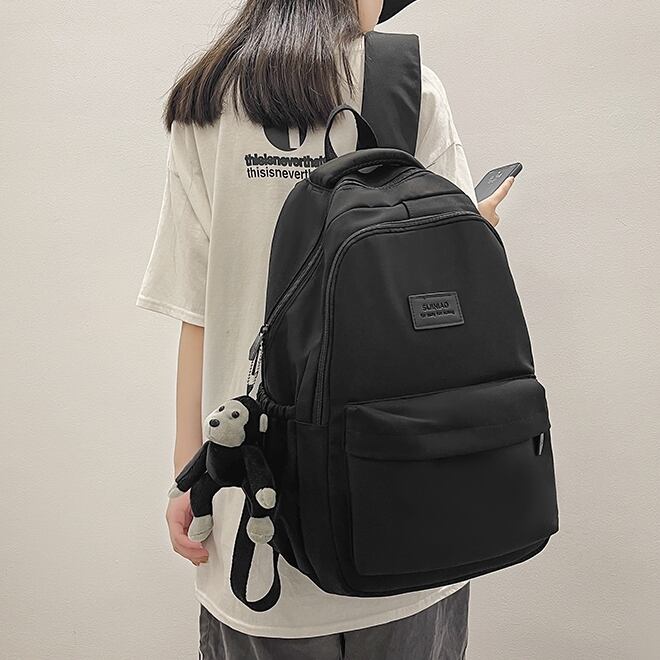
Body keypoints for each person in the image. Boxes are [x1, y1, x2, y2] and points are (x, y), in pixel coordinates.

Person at [135, 0, 514, 657]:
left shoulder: (207, 97)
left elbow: (198, 311)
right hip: (404, 500)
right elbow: (443, 300)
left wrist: (189, 475)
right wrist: (472, 229)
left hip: (252, 514)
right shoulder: (409, 85)